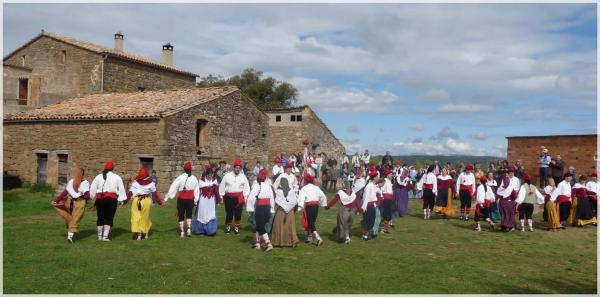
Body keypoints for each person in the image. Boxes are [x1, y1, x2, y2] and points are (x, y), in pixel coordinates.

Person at [89, 161, 127, 241]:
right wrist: (121, 199)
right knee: (109, 217)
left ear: (105, 168)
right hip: (111, 200)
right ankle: (105, 236)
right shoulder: (117, 177)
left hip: (100, 199)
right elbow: (121, 189)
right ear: (113, 168)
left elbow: (93, 188)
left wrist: (91, 197)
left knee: (100, 217)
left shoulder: (98, 177)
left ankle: (99, 236)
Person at [51, 167, 90, 243]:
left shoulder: (71, 181)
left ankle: (70, 233)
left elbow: (65, 192)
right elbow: (87, 195)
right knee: (75, 219)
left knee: (71, 218)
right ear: (83, 174)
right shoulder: (85, 183)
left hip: (70, 202)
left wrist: (56, 200)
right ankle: (70, 236)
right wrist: (86, 199)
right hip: (80, 202)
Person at [125, 167, 163, 240]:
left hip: (136, 201)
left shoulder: (135, 183)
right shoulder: (151, 183)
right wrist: (160, 203)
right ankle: (145, 233)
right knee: (145, 217)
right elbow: (155, 194)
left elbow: (130, 193)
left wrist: (125, 201)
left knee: (136, 217)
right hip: (146, 201)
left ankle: (139, 234)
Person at [165, 161, 200, 238]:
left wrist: (168, 196)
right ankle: (188, 229)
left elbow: (173, 186)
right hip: (190, 199)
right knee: (189, 214)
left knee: (181, 214)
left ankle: (182, 232)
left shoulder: (180, 177)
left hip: (181, 199)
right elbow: (197, 191)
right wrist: (195, 201)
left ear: (184, 169)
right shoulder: (194, 178)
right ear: (191, 169)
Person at [246, 168, 276, 252]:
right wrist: (272, 209)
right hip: (267, 207)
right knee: (258, 225)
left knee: (260, 226)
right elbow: (272, 199)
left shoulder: (257, 185)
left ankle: (268, 244)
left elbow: (251, 197)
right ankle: (257, 243)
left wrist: (250, 209)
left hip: (260, 207)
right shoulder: (268, 186)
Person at [219, 157, 251, 235]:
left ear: (240, 168)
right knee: (229, 213)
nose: (237, 169)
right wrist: (221, 196)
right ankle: (228, 227)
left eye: (239, 168)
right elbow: (222, 185)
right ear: (234, 168)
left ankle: (236, 228)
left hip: (239, 197)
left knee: (238, 213)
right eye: (236, 167)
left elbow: (247, 187)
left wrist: (245, 197)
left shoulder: (243, 176)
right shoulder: (227, 175)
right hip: (229, 197)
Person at [271, 167, 300, 248]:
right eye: (288, 168)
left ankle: (290, 239)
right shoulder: (281, 177)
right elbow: (274, 187)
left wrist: (295, 191)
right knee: (279, 223)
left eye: (290, 168)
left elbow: (296, 185)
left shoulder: (293, 178)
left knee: (289, 223)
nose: (289, 170)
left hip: (290, 200)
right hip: (281, 209)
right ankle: (279, 240)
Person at [297, 172, 327, 246]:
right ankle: (309, 237)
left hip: (309, 207)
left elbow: (301, 198)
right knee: (311, 222)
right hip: (316, 206)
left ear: (306, 181)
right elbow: (323, 196)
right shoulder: (316, 187)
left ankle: (318, 238)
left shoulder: (304, 188)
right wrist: (323, 204)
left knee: (310, 223)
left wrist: (299, 207)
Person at [192, 166, 221, 236]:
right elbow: (197, 191)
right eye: (209, 174)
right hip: (203, 201)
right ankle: (199, 230)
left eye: (211, 174)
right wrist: (195, 200)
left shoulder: (214, 181)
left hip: (211, 202)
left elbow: (216, 191)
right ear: (206, 174)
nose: (210, 176)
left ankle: (211, 231)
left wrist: (218, 200)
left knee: (211, 215)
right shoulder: (201, 181)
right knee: (202, 214)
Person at [496, 167, 520, 232]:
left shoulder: (516, 179)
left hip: (511, 198)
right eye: (510, 173)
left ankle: (510, 226)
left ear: (514, 173)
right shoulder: (506, 179)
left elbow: (517, 189)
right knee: (505, 213)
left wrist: (515, 199)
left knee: (510, 213)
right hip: (506, 198)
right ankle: (505, 226)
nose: (511, 174)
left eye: (512, 173)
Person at [360, 167, 379, 240]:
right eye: (377, 177)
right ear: (374, 178)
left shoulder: (373, 185)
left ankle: (367, 234)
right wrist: (364, 207)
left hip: (372, 205)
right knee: (368, 221)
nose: (378, 178)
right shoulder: (369, 186)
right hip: (368, 206)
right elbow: (365, 197)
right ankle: (365, 236)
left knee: (371, 221)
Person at [380, 169, 394, 233]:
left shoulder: (389, 181)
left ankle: (385, 228)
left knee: (388, 214)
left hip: (389, 199)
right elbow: (381, 190)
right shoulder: (385, 181)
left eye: (392, 174)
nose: (392, 175)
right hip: (386, 199)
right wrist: (382, 197)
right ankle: (383, 229)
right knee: (386, 214)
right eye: (390, 174)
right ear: (387, 175)